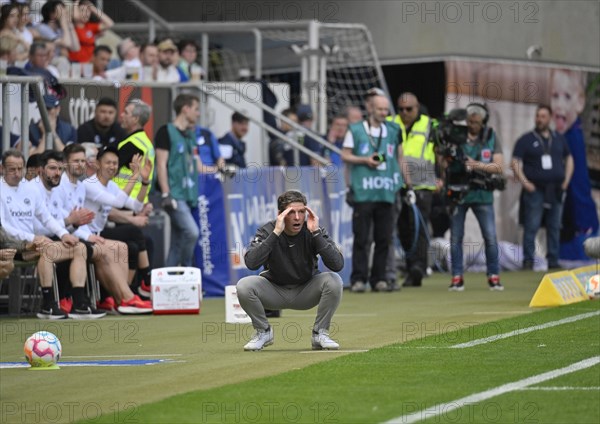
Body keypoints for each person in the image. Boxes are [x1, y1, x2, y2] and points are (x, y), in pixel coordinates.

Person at [0, 149, 104, 319]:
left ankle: (79, 304)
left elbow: (46, 217)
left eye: (21, 169)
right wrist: (33, 238)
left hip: (33, 244)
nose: (17, 174)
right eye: (12, 169)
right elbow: (3, 227)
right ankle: (47, 305)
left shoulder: (29, 190)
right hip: (11, 245)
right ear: (2, 168)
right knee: (46, 249)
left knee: (79, 248)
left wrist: (63, 234)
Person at [236, 190, 344, 351]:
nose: (298, 217)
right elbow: (251, 263)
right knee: (244, 286)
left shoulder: (313, 229)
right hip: (274, 292)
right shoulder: (267, 230)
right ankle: (263, 332)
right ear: (280, 214)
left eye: (302, 212)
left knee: (334, 280)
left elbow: (337, 264)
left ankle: (319, 334)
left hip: (306, 291)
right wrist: (276, 233)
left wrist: (315, 233)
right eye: (291, 212)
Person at [58, 144, 153, 313]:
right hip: (79, 236)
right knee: (121, 242)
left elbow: (136, 206)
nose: (112, 167)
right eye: (108, 162)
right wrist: (134, 176)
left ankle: (122, 298)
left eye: (115, 163)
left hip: (89, 234)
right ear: (97, 164)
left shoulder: (101, 186)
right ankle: (127, 297)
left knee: (122, 247)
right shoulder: (89, 184)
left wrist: (144, 180)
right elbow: (118, 203)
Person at [341, 94, 403, 293]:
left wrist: (405, 184)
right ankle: (359, 278)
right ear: (370, 108)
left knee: (384, 238)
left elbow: (400, 157)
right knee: (362, 238)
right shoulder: (356, 129)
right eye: (380, 109)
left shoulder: (393, 130)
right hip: (363, 191)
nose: (384, 113)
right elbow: (345, 155)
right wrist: (365, 160)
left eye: (386, 110)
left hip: (386, 190)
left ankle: (379, 279)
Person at [447, 103, 504, 291]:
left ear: (483, 122)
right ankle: (457, 277)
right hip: (459, 192)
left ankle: (494, 276)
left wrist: (476, 165)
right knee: (456, 237)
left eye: (477, 122)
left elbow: (498, 166)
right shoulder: (456, 135)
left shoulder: (490, 136)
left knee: (490, 236)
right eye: (470, 122)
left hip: (482, 193)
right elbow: (443, 161)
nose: (473, 126)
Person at [512, 104, 574, 270]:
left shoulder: (559, 138)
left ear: (550, 118)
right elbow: (515, 161)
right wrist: (525, 182)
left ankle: (553, 260)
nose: (539, 119)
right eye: (537, 116)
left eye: (543, 116)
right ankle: (528, 260)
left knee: (554, 226)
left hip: (555, 188)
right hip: (535, 188)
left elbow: (569, 159)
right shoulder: (526, 139)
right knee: (531, 225)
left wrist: (566, 181)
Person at [388, 93, 440, 287]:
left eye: (409, 109)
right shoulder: (390, 123)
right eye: (401, 109)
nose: (404, 113)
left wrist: (441, 177)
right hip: (396, 183)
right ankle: (411, 266)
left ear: (417, 108)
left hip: (423, 184)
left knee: (419, 227)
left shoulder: (430, 125)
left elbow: (440, 152)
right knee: (403, 230)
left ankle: (418, 267)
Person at [550, 69, 599, 260]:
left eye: (567, 97)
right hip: (567, 222)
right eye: (555, 96)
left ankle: (585, 235)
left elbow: (579, 188)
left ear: (579, 102)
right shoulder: (560, 136)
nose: (560, 104)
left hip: (581, 228)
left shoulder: (573, 138)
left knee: (577, 189)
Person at [155, 93, 201, 267]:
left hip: (187, 195)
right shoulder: (165, 131)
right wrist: (166, 193)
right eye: (196, 109)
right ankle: (187, 269)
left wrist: (221, 169)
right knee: (192, 232)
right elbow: (161, 164)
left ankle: (169, 280)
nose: (198, 114)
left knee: (178, 239)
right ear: (185, 109)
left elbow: (197, 165)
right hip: (174, 194)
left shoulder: (190, 135)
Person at [115, 99, 155, 202]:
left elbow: (108, 170)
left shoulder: (133, 144)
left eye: (126, 112)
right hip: (139, 200)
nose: (121, 115)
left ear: (135, 119)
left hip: (126, 200)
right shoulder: (145, 142)